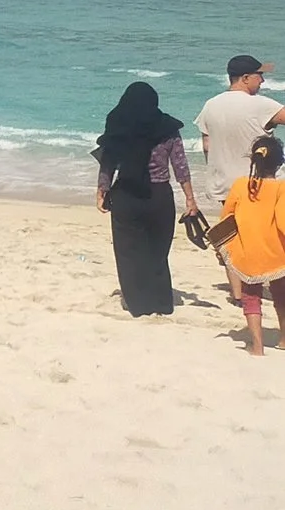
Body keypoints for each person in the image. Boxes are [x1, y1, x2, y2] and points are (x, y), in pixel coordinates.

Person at [94, 82, 199, 316]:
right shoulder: (167, 127)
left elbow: (108, 159)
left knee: (128, 252)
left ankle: (137, 304)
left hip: (126, 195)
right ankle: (160, 302)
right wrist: (190, 199)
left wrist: (102, 189)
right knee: (158, 251)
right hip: (159, 196)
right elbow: (180, 165)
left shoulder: (118, 123)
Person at [197, 55, 285, 301]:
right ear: (245, 78)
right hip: (259, 184)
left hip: (225, 183)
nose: (263, 80)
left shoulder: (210, 105)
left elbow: (206, 145)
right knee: (274, 235)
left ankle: (238, 293)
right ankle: (276, 284)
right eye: (259, 75)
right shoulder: (260, 105)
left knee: (231, 238)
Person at [220, 135, 285, 355]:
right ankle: (284, 339)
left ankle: (257, 347)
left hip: (247, 252)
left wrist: (223, 250)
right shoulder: (281, 188)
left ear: (254, 161)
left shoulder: (240, 185)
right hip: (277, 253)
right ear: (279, 163)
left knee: (251, 297)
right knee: (281, 295)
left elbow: (226, 218)